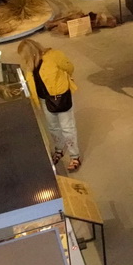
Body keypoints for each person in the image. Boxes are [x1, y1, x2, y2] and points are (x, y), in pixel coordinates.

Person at [17, 38, 82, 172]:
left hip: (60, 98)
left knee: (67, 127)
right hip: (44, 100)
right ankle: (59, 149)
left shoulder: (54, 56)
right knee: (52, 127)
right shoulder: (29, 65)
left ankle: (75, 156)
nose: (23, 60)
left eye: (25, 56)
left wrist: (63, 83)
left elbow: (69, 67)